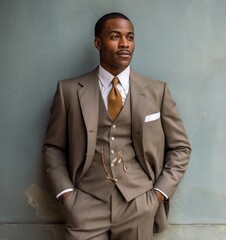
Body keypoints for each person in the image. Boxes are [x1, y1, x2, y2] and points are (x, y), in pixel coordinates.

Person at [43, 12, 191, 240]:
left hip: (139, 204)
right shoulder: (69, 91)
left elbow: (181, 148)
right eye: (115, 36)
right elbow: (53, 147)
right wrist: (67, 196)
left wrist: (158, 195)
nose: (125, 44)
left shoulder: (157, 91)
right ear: (98, 43)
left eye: (130, 37)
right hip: (86, 204)